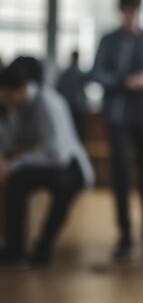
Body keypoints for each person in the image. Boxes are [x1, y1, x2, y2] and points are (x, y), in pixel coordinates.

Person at [90, 0, 143, 260]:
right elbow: (96, 72)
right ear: (121, 11)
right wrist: (123, 81)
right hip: (117, 116)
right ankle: (124, 231)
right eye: (127, 12)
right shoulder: (109, 40)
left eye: (134, 12)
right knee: (121, 173)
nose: (131, 17)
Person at [0, 57, 94, 268]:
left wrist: (13, 164)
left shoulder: (48, 103)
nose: (4, 100)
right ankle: (14, 247)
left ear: (23, 88)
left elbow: (57, 154)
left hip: (70, 166)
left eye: (7, 95)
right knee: (16, 182)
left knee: (62, 187)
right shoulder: (18, 105)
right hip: (48, 163)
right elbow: (6, 137)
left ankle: (43, 247)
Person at [56, 50, 89, 140]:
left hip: (68, 107)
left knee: (68, 133)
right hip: (78, 108)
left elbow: (58, 89)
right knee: (79, 134)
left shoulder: (65, 74)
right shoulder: (80, 73)